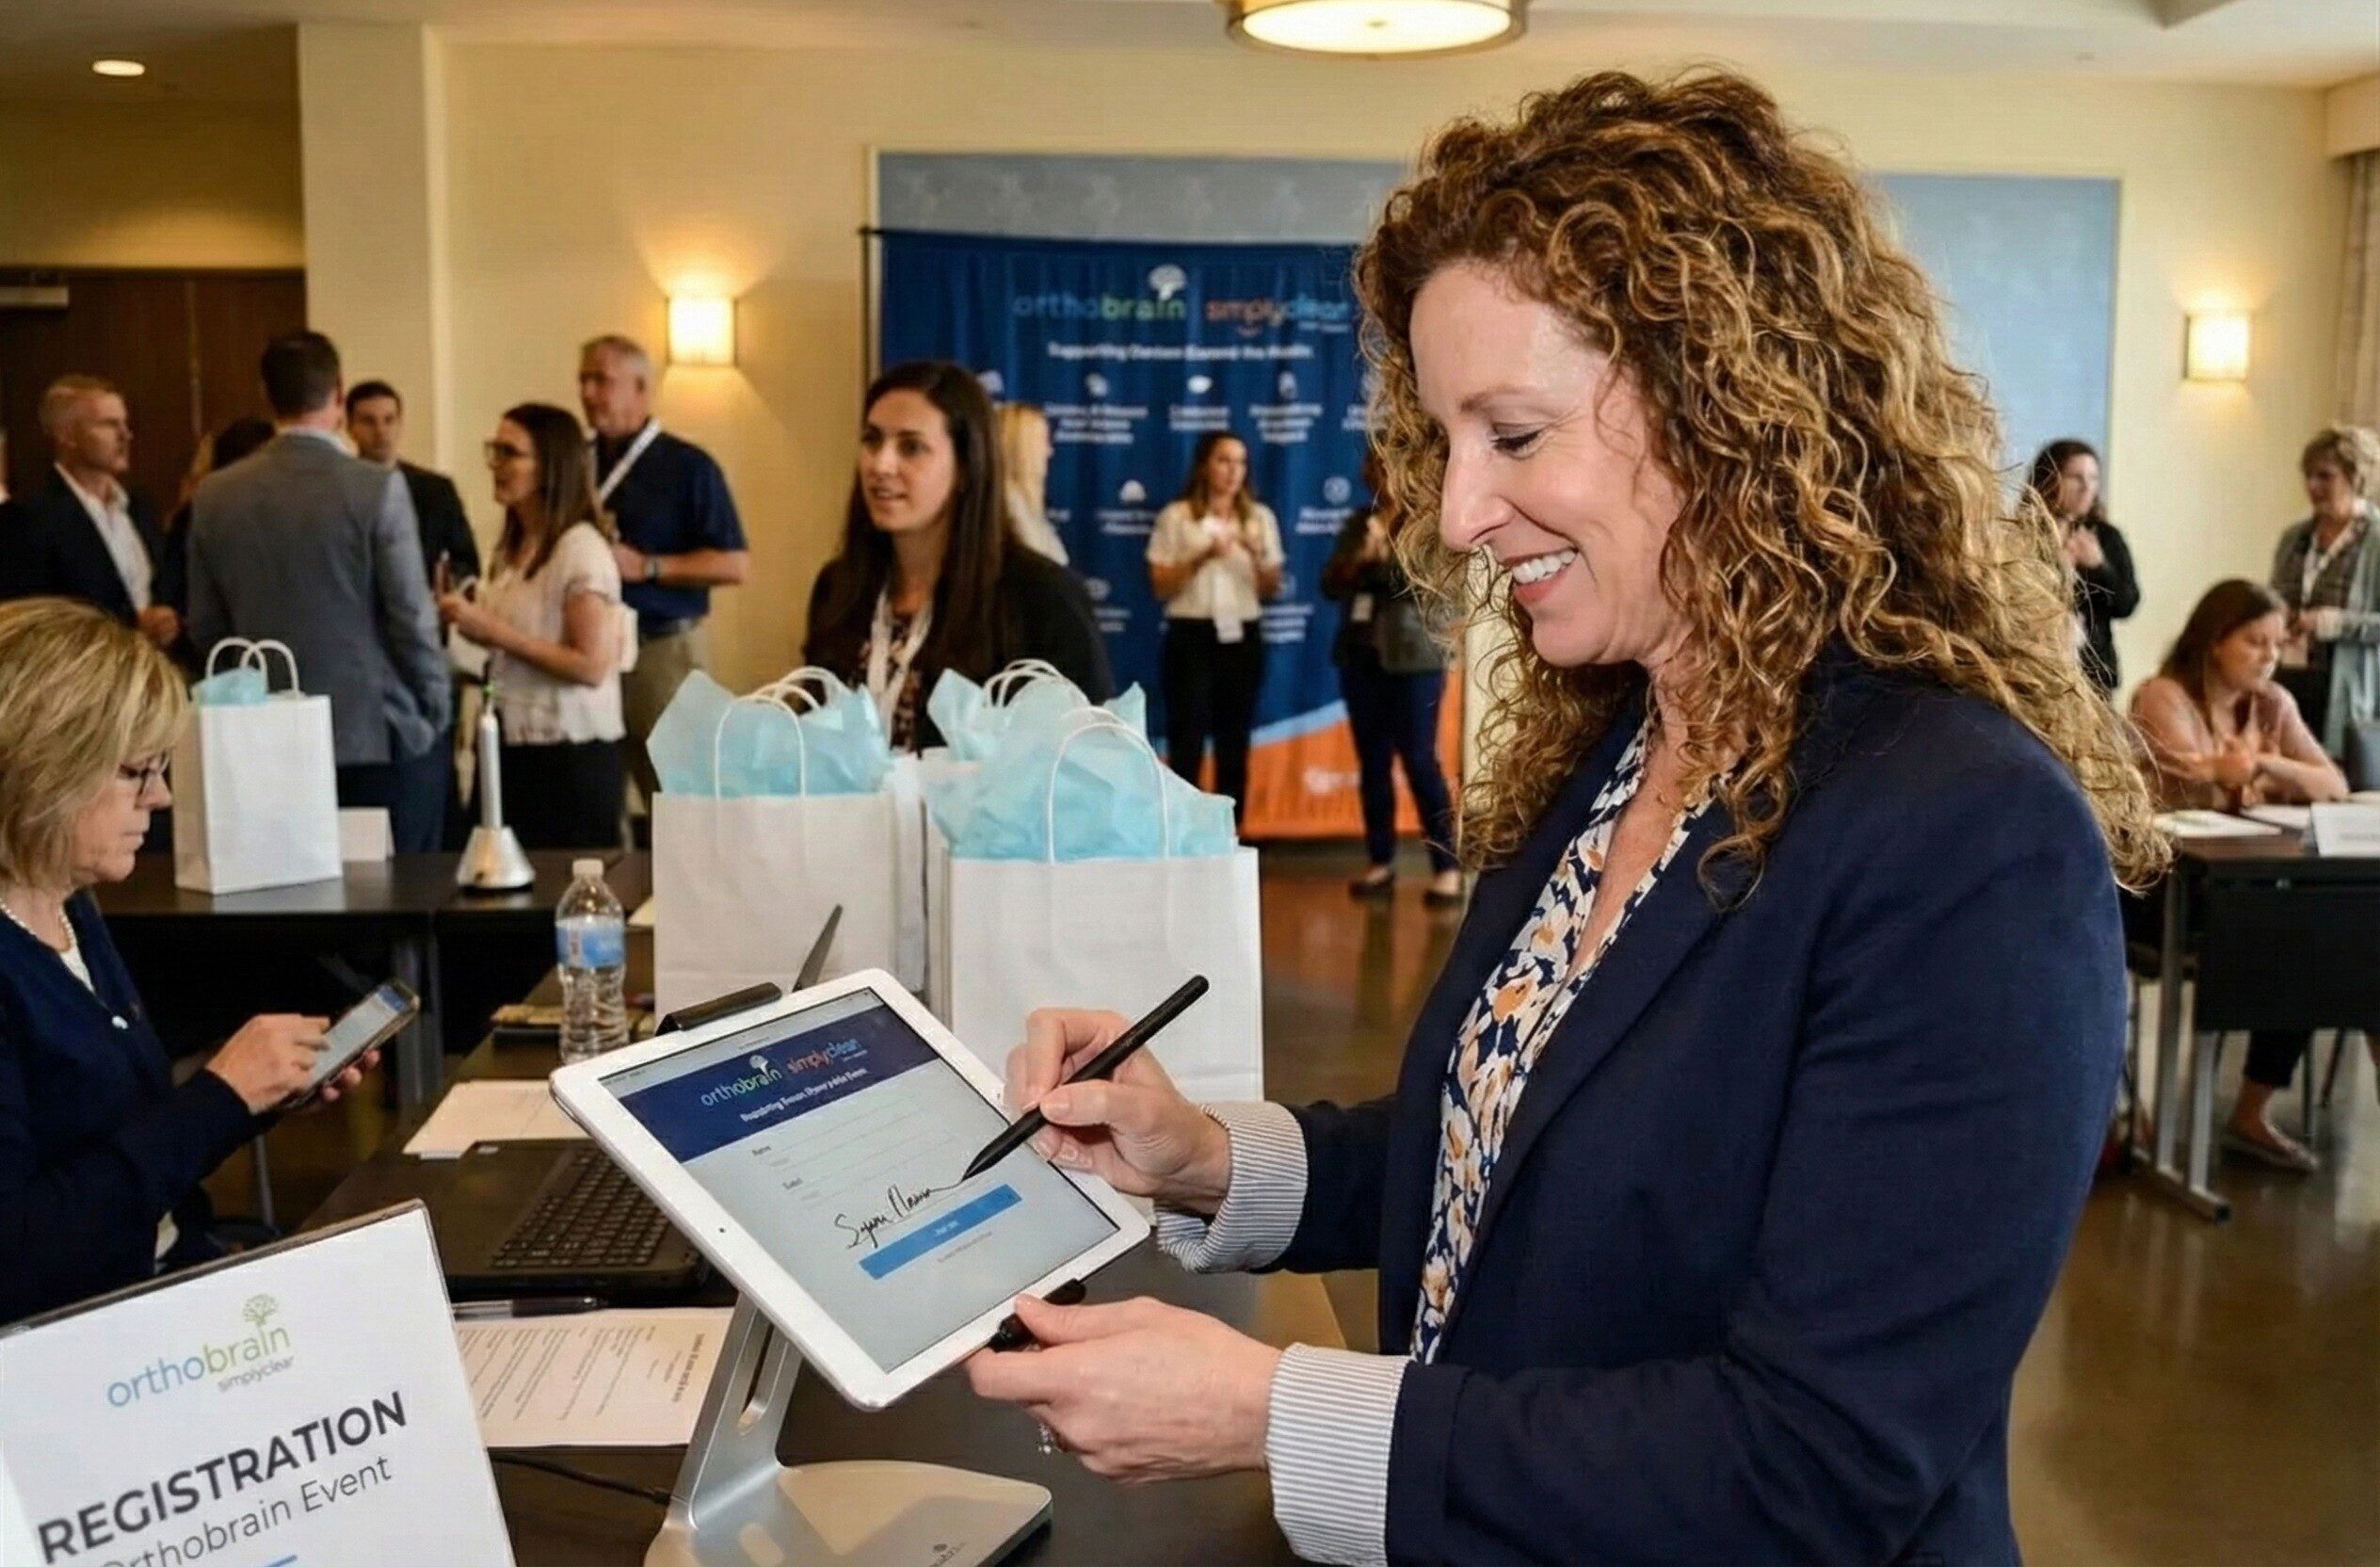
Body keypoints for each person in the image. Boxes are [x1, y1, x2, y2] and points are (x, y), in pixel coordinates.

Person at [962, 70, 2163, 1567]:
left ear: (1727, 413)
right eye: (1444, 442)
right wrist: (1204, 1157)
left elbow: (1820, 1469)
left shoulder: (1969, 842)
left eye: (1513, 438)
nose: (1456, 514)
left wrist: (1279, 1411)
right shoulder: (1621, 741)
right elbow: (1516, 1141)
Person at [0, 599, 376, 1326]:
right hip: (87, 1340)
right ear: (45, 769)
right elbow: (18, 1256)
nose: (161, 796)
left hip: (158, 1280)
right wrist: (219, 1098)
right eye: (138, 772)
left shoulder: (65, 901)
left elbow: (115, 1138)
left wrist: (259, 1094)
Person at [187, 331, 452, 852]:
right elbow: (411, 616)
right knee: (381, 896)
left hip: (263, 733)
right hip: (369, 731)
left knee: (285, 896)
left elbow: (206, 626)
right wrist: (434, 706)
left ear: (267, 396)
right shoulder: (376, 487)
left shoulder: (216, 495)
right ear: (339, 392)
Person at [2129, 578, 2355, 1171]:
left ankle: (2251, 1112)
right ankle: (2201, 1119)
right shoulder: (2163, 696)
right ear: (2213, 640)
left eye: (2277, 644)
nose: (2269, 656)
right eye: (2255, 641)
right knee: (2299, 933)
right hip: (2169, 887)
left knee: (2329, 937)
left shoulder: (2274, 703)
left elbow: (2332, 784)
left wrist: (2263, 762)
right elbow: (2189, 776)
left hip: (2251, 882)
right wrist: (2231, 772)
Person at [804, 361, 1110, 750]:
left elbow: (1089, 755)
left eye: (911, 447)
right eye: (872, 440)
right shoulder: (839, 587)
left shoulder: (1041, 596)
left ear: (966, 466)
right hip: (848, 811)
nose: (881, 465)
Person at [438, 404, 626, 850]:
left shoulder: (580, 549)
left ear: (550, 468)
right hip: (510, 741)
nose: (496, 466)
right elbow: (500, 645)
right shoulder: (513, 547)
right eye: (494, 451)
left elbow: (591, 665)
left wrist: (492, 632)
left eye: (511, 453)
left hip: (567, 755)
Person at [578, 334, 748, 802]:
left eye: (603, 381)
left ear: (641, 388)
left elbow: (735, 564)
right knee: (598, 797)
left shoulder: (689, 467)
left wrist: (650, 567)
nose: (590, 393)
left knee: (679, 796)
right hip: (592, 654)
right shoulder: (577, 463)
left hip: (663, 651)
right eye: (584, 380)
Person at [1320, 449, 1461, 905]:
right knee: (1373, 765)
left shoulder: (1429, 522)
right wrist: (1361, 557)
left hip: (1416, 661)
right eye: (1372, 464)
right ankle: (1380, 864)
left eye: (1387, 462)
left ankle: (1446, 869)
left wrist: (1379, 562)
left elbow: (1429, 583)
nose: (1379, 472)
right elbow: (1330, 583)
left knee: (1421, 762)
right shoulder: (1359, 522)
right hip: (1361, 659)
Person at [1147, 431, 1284, 821]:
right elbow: (1159, 585)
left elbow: (1271, 587)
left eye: (1240, 462)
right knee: (1186, 738)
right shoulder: (1177, 517)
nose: (1232, 471)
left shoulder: (1259, 518)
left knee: (1234, 739)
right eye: (1224, 460)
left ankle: (1230, 834)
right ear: (1206, 466)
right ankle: (1182, 830)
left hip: (1241, 637)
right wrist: (1203, 555)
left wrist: (1258, 557)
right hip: (1191, 636)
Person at [0, 377, 177, 653]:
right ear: (67, 435)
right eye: (108, 424)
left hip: (153, 669)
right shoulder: (29, 517)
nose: (125, 435)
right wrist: (131, 625)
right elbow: (33, 623)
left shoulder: (138, 507)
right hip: (82, 678)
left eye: (125, 424)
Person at [2270, 425, 2380, 772]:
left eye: (2325, 476)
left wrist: (2334, 623)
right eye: (2308, 476)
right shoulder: (2294, 538)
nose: (2313, 487)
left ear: (2355, 476)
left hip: (2348, 692)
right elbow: (2273, 598)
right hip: (2290, 679)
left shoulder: (2375, 541)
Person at [345, 380, 482, 591]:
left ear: (400, 424)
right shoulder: (339, 491)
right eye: (368, 422)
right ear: (350, 427)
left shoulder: (437, 490)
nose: (381, 431)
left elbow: (467, 562)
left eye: (389, 420)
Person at [2030, 438, 2138, 694]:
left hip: (2093, 676)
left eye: (2093, 478)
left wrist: (2099, 566)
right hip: (2036, 671)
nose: (2087, 487)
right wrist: (2057, 569)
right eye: (2076, 478)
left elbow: (2127, 603)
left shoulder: (2106, 536)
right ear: (2050, 479)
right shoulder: (2023, 533)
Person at [996, 402, 1069, 564]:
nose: (1050, 452)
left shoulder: (1023, 506)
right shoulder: (1007, 509)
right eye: (1043, 441)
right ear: (1022, 447)